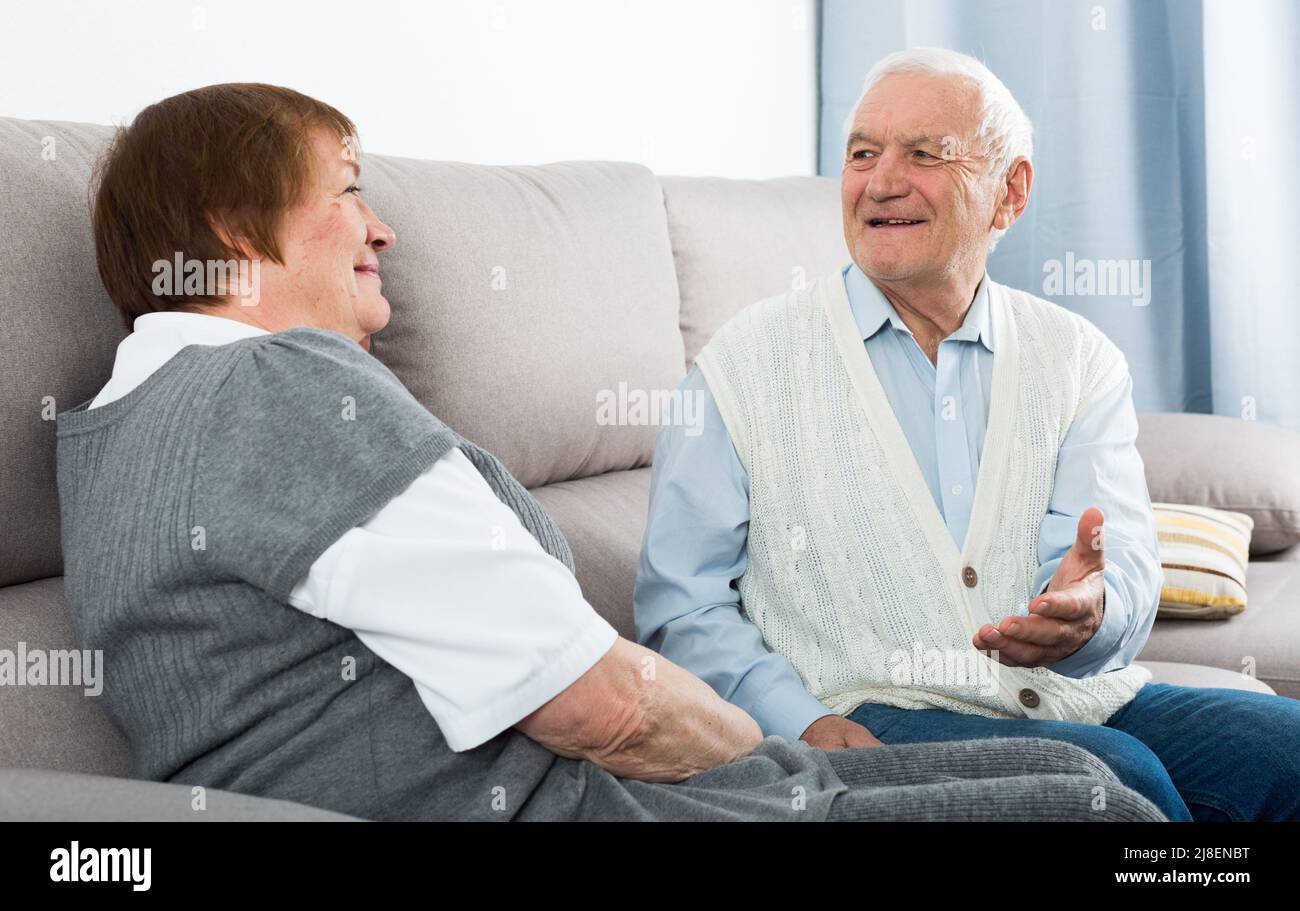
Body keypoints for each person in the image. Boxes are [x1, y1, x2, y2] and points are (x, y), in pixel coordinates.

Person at [55, 82, 1164, 822]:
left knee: (1086, 770)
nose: (382, 229)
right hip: (597, 800)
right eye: (348, 191)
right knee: (1093, 801)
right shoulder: (282, 388)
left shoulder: (114, 428)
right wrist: (798, 765)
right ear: (236, 227)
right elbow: (603, 707)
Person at [634, 48, 1300, 822]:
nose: (881, 182)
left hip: (1075, 697)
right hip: (865, 708)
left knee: (1283, 747)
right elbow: (681, 610)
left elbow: (1111, 571)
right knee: (1114, 784)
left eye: (924, 154)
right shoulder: (741, 368)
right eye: (862, 155)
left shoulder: (1078, 357)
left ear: (1009, 192)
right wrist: (800, 720)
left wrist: (1087, 611)